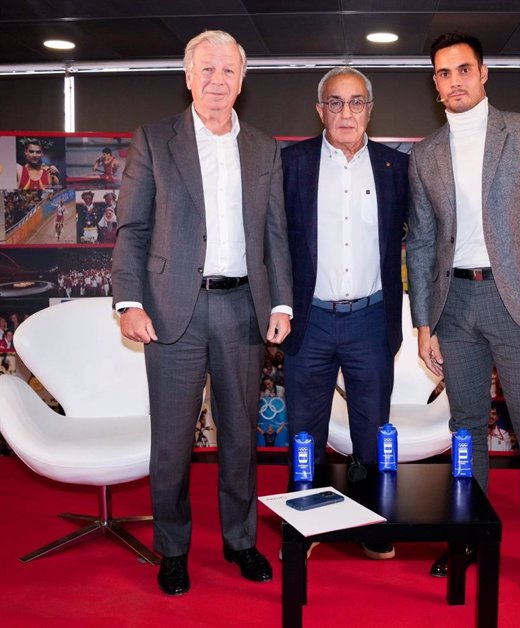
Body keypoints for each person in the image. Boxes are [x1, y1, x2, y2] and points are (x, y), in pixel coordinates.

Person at [111, 30, 293, 597]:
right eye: (207, 70)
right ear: (188, 77)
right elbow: (133, 229)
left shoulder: (264, 148)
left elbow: (275, 236)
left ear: (243, 80)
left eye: (229, 71)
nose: (218, 80)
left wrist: (281, 300)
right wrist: (129, 301)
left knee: (241, 438)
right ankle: (173, 549)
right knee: (171, 442)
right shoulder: (154, 140)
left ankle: (241, 542)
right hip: (170, 313)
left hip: (243, 310)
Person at [406, 32, 520, 596]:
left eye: (463, 69)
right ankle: (468, 539)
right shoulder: (425, 153)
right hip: (454, 308)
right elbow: (424, 244)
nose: (453, 80)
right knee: (466, 431)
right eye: (442, 73)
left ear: (483, 73)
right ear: (434, 83)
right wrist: (424, 321)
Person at [281, 66, 408, 560]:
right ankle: (303, 525)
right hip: (309, 321)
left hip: (371, 321)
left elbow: (414, 239)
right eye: (335, 102)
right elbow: (273, 242)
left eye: (356, 102)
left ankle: (373, 522)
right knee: (304, 429)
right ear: (320, 111)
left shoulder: (396, 168)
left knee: (372, 427)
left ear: (370, 110)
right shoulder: (290, 164)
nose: (346, 112)